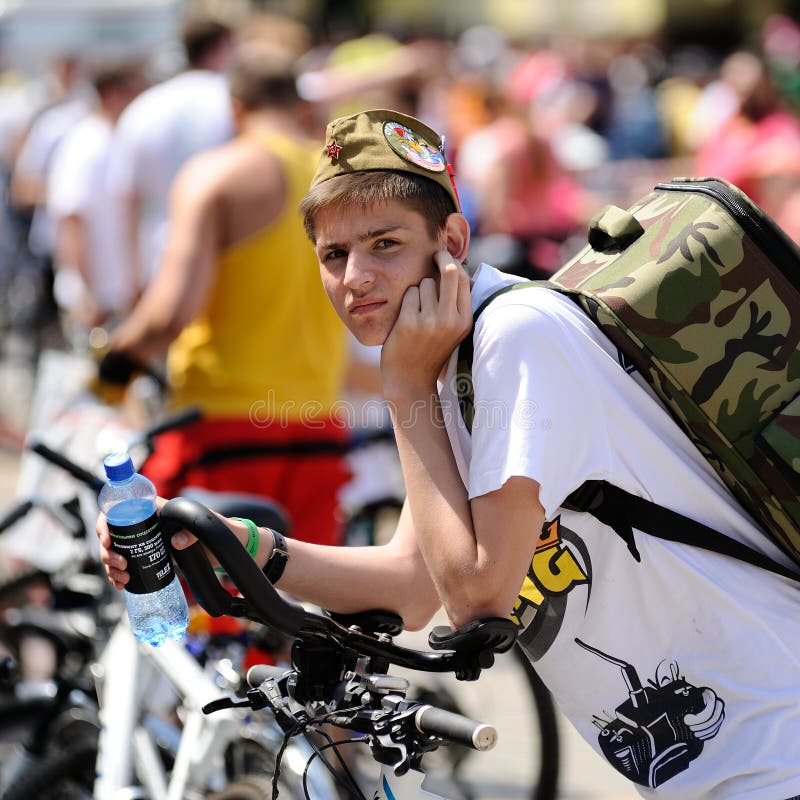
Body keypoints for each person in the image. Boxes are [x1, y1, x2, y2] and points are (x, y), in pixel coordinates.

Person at [99, 108, 800, 798]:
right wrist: (237, 545)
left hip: (773, 747)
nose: (355, 279)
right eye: (333, 255)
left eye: (385, 244)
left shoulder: (516, 337)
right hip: (722, 762)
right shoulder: (453, 360)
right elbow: (409, 586)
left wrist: (402, 387)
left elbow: (477, 596)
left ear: (454, 241)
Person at [98, 43, 349, 547]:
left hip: (223, 422)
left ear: (235, 106)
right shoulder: (338, 175)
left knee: (198, 610)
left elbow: (170, 313)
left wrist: (111, 367)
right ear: (298, 102)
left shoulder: (218, 172)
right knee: (298, 610)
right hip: (318, 421)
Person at [106, 17, 235, 293]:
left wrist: (130, 276)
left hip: (157, 256)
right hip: (223, 255)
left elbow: (125, 199)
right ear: (221, 49)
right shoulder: (233, 101)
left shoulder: (143, 108)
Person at [46, 62, 142, 342]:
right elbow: (72, 218)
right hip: (96, 302)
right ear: (112, 93)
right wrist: (85, 293)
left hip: (113, 297)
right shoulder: (87, 142)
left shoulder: (112, 137)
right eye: (133, 91)